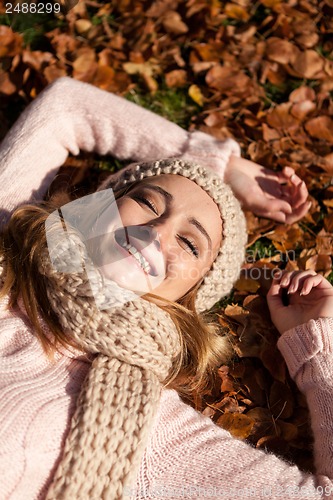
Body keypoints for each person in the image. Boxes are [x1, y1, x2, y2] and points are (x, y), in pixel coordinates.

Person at [0, 77, 332, 500]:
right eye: (149, 203)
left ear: (190, 296)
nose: (157, 232)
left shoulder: (145, 426)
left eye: (190, 243)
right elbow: (66, 106)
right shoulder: (11, 229)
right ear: (100, 205)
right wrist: (220, 164)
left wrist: (317, 349)